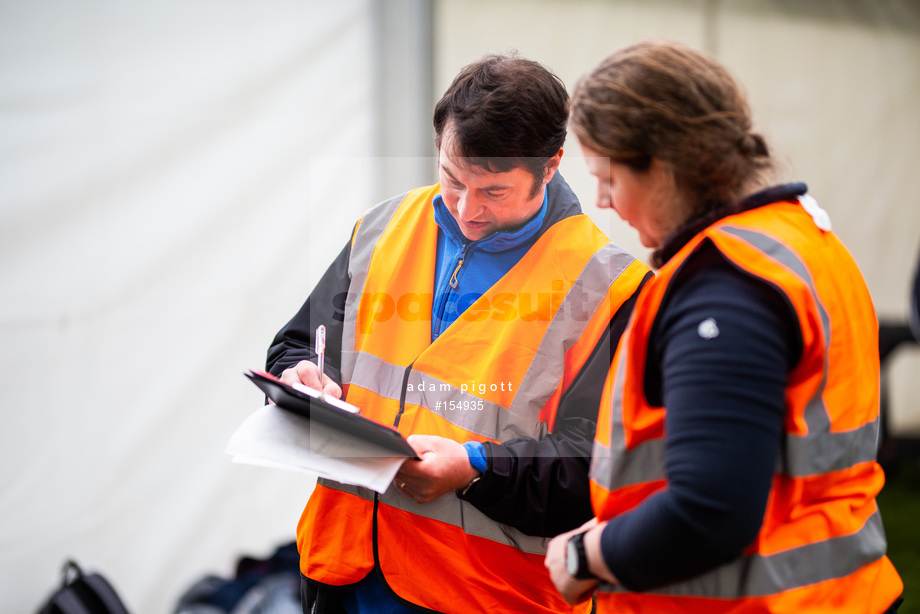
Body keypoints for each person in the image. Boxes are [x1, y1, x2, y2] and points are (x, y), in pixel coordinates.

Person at [267, 54, 650, 614]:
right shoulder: (382, 227)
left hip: (484, 595)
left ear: (550, 166)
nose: (467, 210)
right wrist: (302, 377)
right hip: (342, 571)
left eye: (494, 192)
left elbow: (598, 473)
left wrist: (475, 470)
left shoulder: (610, 286)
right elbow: (296, 344)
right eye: (452, 178)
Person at [545, 40, 904, 613]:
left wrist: (587, 556)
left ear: (662, 164)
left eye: (607, 177)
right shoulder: (796, 238)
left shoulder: (723, 290)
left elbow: (709, 509)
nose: (603, 202)